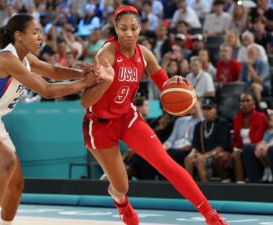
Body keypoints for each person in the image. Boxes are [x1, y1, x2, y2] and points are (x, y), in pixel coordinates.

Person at [81, 5, 228, 225]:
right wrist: (107, 81)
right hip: (99, 125)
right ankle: (121, 202)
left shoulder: (145, 54)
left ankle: (211, 215)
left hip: (127, 118)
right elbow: (85, 101)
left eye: (133, 28)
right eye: (123, 29)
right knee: (121, 187)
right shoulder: (106, 55)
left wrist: (181, 90)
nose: (129, 33)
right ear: (116, 29)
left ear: (140, 27)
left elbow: (166, 87)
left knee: (167, 164)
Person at [0, 14, 104, 225]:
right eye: (35, 32)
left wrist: (81, 73)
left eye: (39, 32)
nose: (40, 37)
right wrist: (85, 83)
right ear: (19, 36)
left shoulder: (24, 58)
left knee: (16, 185)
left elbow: (52, 71)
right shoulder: (6, 59)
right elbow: (48, 90)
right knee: (7, 161)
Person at [185, 97, 232, 182]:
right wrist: (192, 154)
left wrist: (205, 156)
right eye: (204, 108)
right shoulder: (199, 125)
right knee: (188, 159)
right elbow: (195, 146)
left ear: (215, 109)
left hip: (217, 154)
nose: (206, 112)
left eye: (209, 108)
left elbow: (222, 146)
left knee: (200, 161)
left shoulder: (222, 123)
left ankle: (205, 191)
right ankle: (190, 187)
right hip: (204, 154)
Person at [232, 92, 267, 183]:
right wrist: (237, 149)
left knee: (246, 149)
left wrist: (242, 149)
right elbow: (236, 138)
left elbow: (258, 139)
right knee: (235, 154)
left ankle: (254, 182)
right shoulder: (237, 118)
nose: (245, 104)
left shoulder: (261, 117)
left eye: (248, 101)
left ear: (254, 103)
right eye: (242, 101)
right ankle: (240, 183)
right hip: (241, 148)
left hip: (256, 146)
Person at [242, 112, 273, 183]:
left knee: (270, 150)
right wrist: (260, 145)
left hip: (270, 146)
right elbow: (264, 140)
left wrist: (267, 146)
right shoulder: (267, 131)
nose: (270, 122)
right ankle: (266, 168)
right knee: (255, 149)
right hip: (266, 145)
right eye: (269, 120)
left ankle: (271, 169)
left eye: (271, 120)